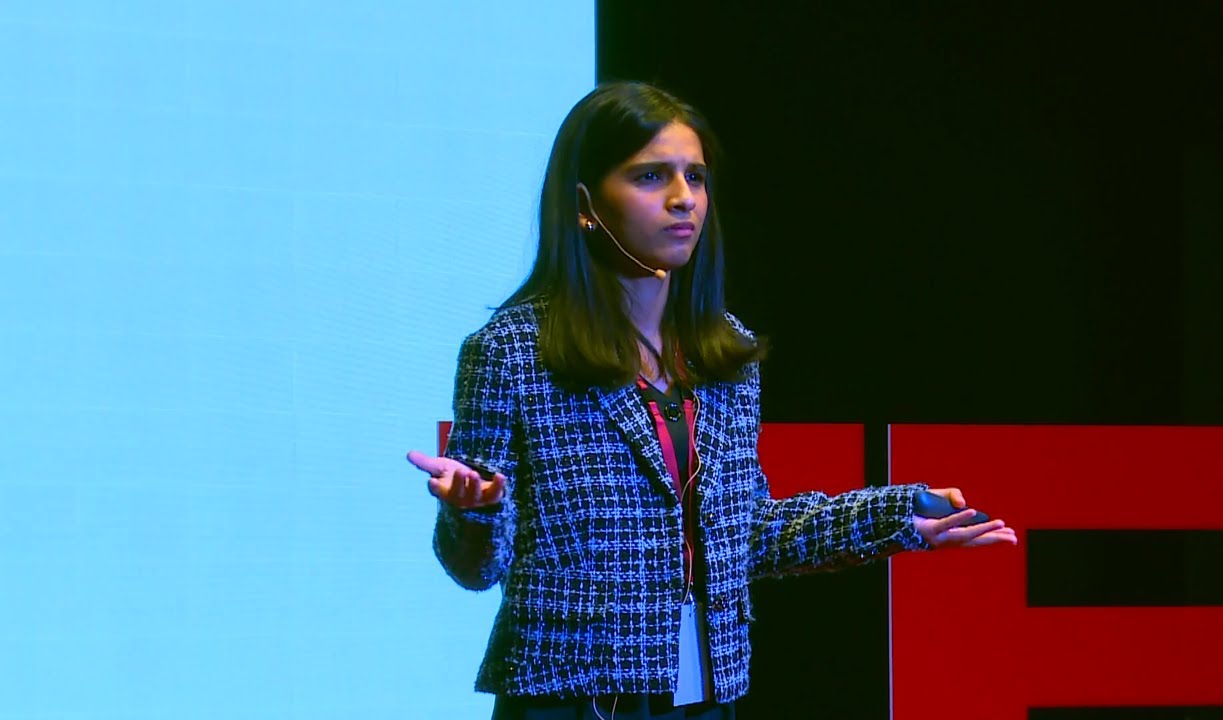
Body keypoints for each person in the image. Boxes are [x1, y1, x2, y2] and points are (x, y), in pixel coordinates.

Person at [406, 81, 1017, 720]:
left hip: (705, 700)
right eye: (649, 177)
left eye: (694, 177)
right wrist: (476, 513)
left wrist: (898, 518)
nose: (682, 200)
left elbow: (746, 531)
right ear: (585, 203)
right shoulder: (513, 351)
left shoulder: (725, 353)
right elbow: (476, 569)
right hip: (570, 701)